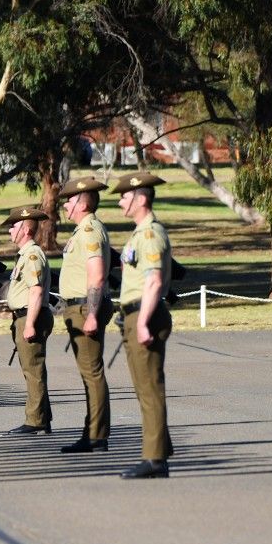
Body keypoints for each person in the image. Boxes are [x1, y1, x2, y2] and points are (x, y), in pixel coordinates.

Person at [111, 171, 174, 479]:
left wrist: (144, 322)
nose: (121, 201)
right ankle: (160, 447)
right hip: (135, 313)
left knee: (149, 389)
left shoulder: (149, 233)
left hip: (145, 314)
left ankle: (155, 459)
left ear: (140, 198)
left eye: (124, 196)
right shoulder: (139, 233)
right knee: (143, 387)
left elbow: (154, 281)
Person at [55, 177, 114, 453]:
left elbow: (97, 274)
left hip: (84, 308)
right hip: (76, 308)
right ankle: (91, 431)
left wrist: (91, 314)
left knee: (92, 373)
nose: (65, 204)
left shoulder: (90, 230)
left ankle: (97, 435)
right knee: (88, 373)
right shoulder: (83, 231)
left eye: (69, 199)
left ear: (82, 202)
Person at [3, 205, 54, 435]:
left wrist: (30, 323)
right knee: (32, 369)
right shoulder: (25, 254)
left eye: (12, 226)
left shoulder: (32, 255)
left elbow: (35, 291)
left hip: (30, 316)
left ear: (24, 229)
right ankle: (44, 416)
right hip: (25, 316)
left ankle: (35, 420)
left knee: (33, 370)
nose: (9, 231)